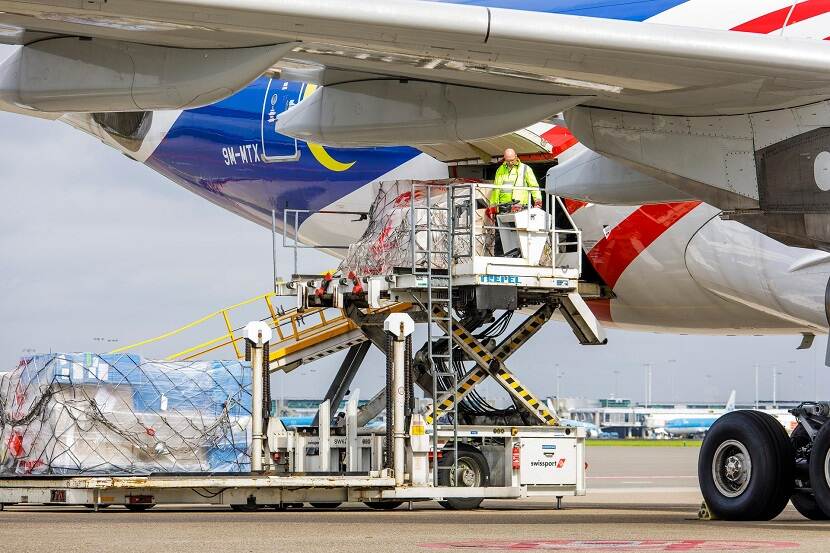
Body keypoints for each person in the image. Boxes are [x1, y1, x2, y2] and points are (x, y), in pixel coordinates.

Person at [485, 149, 542, 219]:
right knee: (503, 229)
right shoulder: (500, 170)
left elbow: (534, 187)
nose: (510, 162)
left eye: (512, 160)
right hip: (502, 207)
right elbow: (495, 190)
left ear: (516, 156)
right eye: (508, 160)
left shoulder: (525, 168)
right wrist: (492, 207)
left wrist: (538, 202)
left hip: (520, 207)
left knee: (519, 228)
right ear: (504, 158)